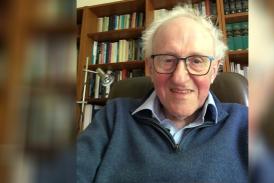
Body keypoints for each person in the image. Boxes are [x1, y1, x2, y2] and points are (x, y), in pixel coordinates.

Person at [77, 5, 248, 183]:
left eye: (197, 61)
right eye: (167, 60)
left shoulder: (246, 123)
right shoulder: (112, 117)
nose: (180, 78)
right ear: (150, 67)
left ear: (213, 71)